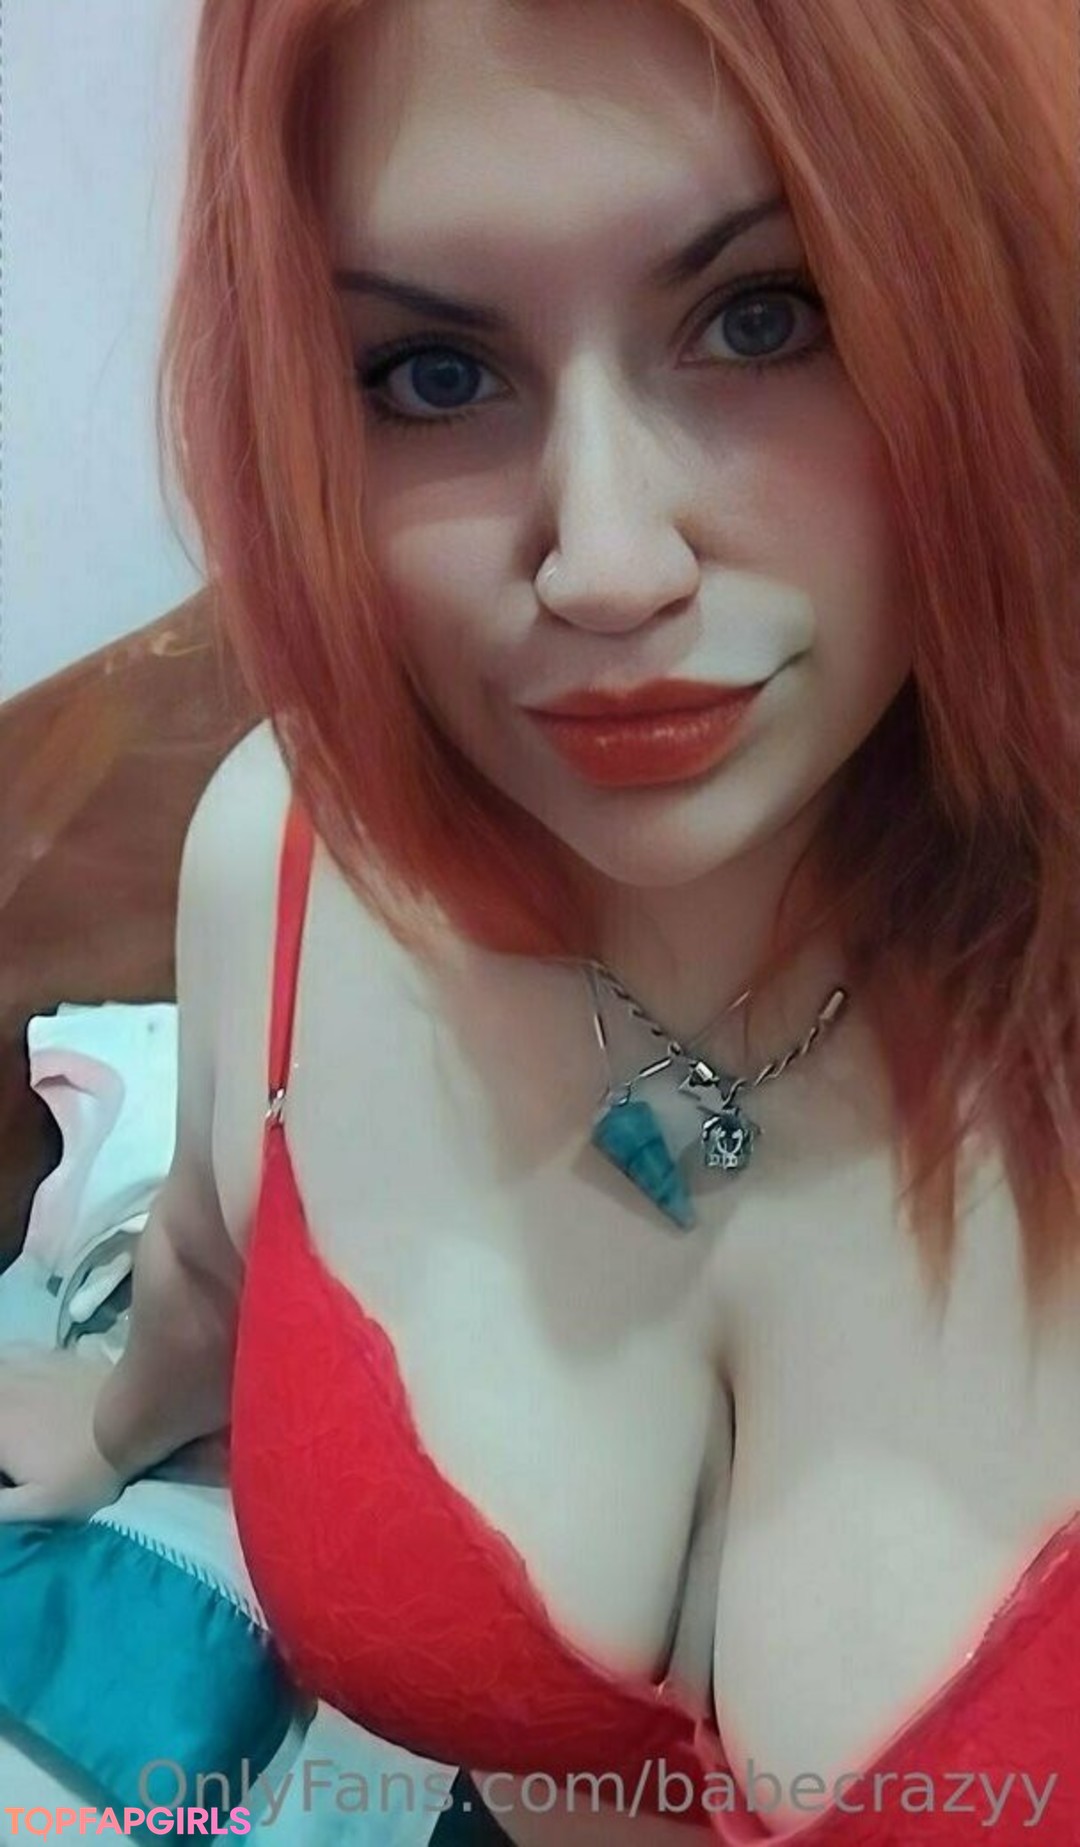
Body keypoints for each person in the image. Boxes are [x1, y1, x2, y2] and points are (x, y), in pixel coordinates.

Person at [1, 0, 1078, 1840]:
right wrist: (111, 1425)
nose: (608, 564)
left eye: (770, 314)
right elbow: (216, 1243)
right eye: (433, 373)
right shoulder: (287, 853)